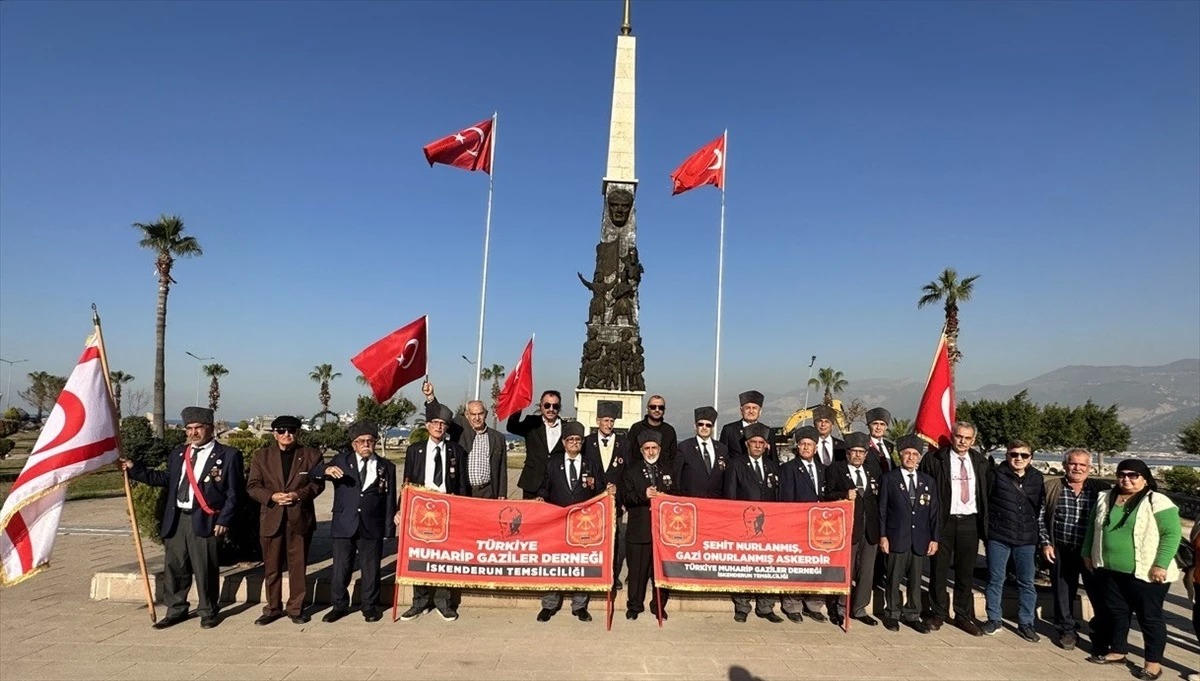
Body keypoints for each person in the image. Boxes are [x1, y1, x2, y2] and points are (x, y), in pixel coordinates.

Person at [118, 407, 243, 629]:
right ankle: (176, 609)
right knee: (175, 568)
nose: (193, 433)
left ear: (210, 429)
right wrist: (134, 469)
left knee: (205, 568)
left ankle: (208, 611)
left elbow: (234, 493)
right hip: (178, 519)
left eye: (198, 428)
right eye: (189, 428)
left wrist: (225, 520)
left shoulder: (229, 455)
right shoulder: (178, 454)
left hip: (206, 520)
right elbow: (167, 479)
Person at [1082, 459, 1182, 681]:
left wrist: (1160, 564)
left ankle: (1153, 664)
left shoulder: (1157, 501)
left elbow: (1172, 534)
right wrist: (1087, 553)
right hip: (1110, 569)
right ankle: (1118, 651)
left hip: (1146, 572)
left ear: (1145, 479)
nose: (1126, 479)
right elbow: (1093, 527)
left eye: (1133, 475)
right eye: (1122, 474)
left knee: (1149, 618)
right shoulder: (1105, 497)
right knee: (1117, 613)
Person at [309, 420, 396, 623]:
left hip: (371, 525)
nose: (366, 444)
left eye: (370, 441)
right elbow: (313, 473)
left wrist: (389, 529)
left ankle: (369, 606)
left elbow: (390, 500)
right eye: (361, 441)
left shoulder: (387, 467)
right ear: (353, 444)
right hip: (344, 522)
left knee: (371, 568)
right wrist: (325, 471)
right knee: (341, 567)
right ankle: (339, 606)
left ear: (375, 442)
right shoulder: (341, 460)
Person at [246, 415, 325, 625]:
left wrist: (298, 495)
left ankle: (296, 609)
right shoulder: (261, 456)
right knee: (271, 567)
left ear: (298, 432)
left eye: (291, 431)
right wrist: (271, 496)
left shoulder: (311, 455)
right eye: (281, 431)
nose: (286, 435)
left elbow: (317, 484)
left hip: (299, 517)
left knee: (298, 567)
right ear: (274, 434)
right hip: (272, 517)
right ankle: (272, 608)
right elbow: (253, 486)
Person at [918, 420, 993, 636]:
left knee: (965, 573)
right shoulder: (934, 459)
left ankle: (962, 615)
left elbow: (985, 493)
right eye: (959, 436)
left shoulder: (980, 462)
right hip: (944, 521)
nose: (963, 441)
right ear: (952, 436)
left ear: (973, 440)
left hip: (970, 522)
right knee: (939, 570)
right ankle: (938, 613)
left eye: (967, 438)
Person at [397, 402, 469, 621]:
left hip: (448, 510)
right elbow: (406, 482)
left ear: (447, 428)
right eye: (435, 423)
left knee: (444, 558)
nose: (439, 427)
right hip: (420, 510)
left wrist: (463, 508)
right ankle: (419, 602)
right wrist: (400, 509)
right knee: (419, 556)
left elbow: (462, 485)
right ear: (427, 425)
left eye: (443, 424)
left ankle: (443, 602)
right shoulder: (414, 450)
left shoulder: (456, 450)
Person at [536, 421, 609, 622]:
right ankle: (549, 604)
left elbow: (601, 489)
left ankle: (580, 605)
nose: (574, 443)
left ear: (582, 442)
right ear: (564, 442)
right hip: (558, 523)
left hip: (583, 525)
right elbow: (545, 487)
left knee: (581, 564)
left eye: (578, 440)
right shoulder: (553, 463)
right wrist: (541, 497)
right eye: (570, 440)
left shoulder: (591, 464)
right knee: (555, 564)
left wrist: (605, 490)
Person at [1039, 448, 1109, 651]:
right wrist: (1045, 543)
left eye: (1082, 465)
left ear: (1090, 468)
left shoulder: (1101, 490)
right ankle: (1066, 630)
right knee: (1063, 591)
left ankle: (1100, 633)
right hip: (1061, 548)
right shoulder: (1052, 487)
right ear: (1064, 465)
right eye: (1072, 463)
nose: (1077, 468)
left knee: (1098, 593)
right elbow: (1041, 518)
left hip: (1091, 552)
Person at [980, 440, 1045, 641]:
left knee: (1027, 582)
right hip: (999, 536)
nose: (1018, 459)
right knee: (995, 580)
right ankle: (994, 619)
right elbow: (985, 503)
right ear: (1007, 455)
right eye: (1014, 454)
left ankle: (1026, 623)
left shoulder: (1036, 478)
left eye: (1024, 455)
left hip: (1026, 539)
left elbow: (1040, 508)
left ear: (1030, 458)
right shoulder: (995, 475)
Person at [878, 434, 939, 633]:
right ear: (900, 455)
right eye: (907, 454)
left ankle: (913, 614)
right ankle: (892, 614)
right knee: (894, 578)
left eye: (914, 454)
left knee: (915, 580)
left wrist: (934, 539)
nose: (911, 458)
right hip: (897, 537)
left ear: (919, 457)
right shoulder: (889, 479)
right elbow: (882, 510)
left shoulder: (928, 481)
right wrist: (883, 536)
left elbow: (934, 513)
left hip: (920, 539)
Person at [723, 423, 784, 623]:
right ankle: (742, 606)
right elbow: (730, 496)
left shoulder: (773, 466)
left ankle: (766, 606)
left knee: (768, 566)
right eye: (754, 442)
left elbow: (779, 497)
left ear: (766, 445)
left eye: (761, 442)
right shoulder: (736, 464)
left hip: (769, 527)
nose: (757, 446)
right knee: (744, 566)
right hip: (744, 525)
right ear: (747, 444)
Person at [824, 432, 881, 627]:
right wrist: (843, 494)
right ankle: (840, 607)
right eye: (854, 451)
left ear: (866, 454)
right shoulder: (835, 469)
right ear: (847, 453)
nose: (857, 455)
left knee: (866, 572)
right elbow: (826, 495)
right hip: (847, 529)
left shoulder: (872, 471)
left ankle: (859, 608)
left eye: (861, 452)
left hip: (870, 529)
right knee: (845, 570)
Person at [621, 430, 675, 620]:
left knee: (661, 572)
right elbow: (625, 498)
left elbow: (677, 496)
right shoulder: (631, 472)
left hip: (664, 532)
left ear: (659, 448)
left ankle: (659, 605)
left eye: (654, 448)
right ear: (641, 450)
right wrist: (643, 495)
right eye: (647, 448)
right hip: (639, 530)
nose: (651, 452)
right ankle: (634, 606)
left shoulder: (669, 470)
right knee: (637, 572)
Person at [778, 425, 830, 623]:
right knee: (796, 566)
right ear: (797, 447)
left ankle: (814, 604)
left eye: (810, 445)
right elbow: (786, 501)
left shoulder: (823, 469)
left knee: (817, 567)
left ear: (816, 448)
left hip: (819, 528)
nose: (806, 448)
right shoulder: (788, 469)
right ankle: (792, 605)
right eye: (803, 444)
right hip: (797, 526)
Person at [423, 381, 507, 499]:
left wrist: (502, 494)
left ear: (486, 414)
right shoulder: (459, 427)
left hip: (488, 492)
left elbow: (502, 469)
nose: (477, 418)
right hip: (464, 491)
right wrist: (430, 397)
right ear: (467, 415)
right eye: (473, 414)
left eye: (480, 414)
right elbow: (440, 415)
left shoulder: (498, 438)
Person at [583, 402, 630, 591]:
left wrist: (624, 497)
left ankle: (613, 573)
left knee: (617, 537)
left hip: (615, 500)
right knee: (591, 536)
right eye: (605, 420)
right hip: (592, 499)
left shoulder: (624, 443)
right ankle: (593, 571)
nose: (609, 424)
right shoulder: (586, 442)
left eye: (611, 421)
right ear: (598, 421)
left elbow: (627, 473)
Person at [507, 390, 566, 500]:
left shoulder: (566, 427)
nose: (551, 409)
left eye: (555, 406)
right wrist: (518, 405)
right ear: (541, 406)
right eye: (547, 405)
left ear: (559, 407)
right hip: (532, 482)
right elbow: (511, 427)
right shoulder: (531, 422)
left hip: (556, 483)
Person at [676, 407, 728, 499]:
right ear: (695, 426)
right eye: (701, 424)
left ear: (712, 427)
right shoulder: (684, 447)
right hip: (691, 502)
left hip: (715, 502)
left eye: (708, 425)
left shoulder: (722, 449)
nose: (704, 427)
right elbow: (677, 478)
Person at [718, 390, 775, 461]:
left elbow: (774, 459)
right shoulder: (729, 430)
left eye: (754, 408)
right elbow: (722, 456)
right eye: (747, 408)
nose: (751, 411)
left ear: (760, 412)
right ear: (741, 411)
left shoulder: (768, 431)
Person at [628, 395, 679, 471]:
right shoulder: (636, 429)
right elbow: (629, 455)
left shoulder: (669, 431)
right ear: (647, 409)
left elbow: (673, 458)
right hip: (638, 477)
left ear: (664, 410)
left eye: (660, 407)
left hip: (663, 477)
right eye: (653, 407)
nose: (657, 410)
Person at [865, 407, 894, 475]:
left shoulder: (889, 446)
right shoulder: (863, 443)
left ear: (886, 427)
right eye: (875, 424)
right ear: (869, 426)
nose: (878, 427)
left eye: (882, 424)